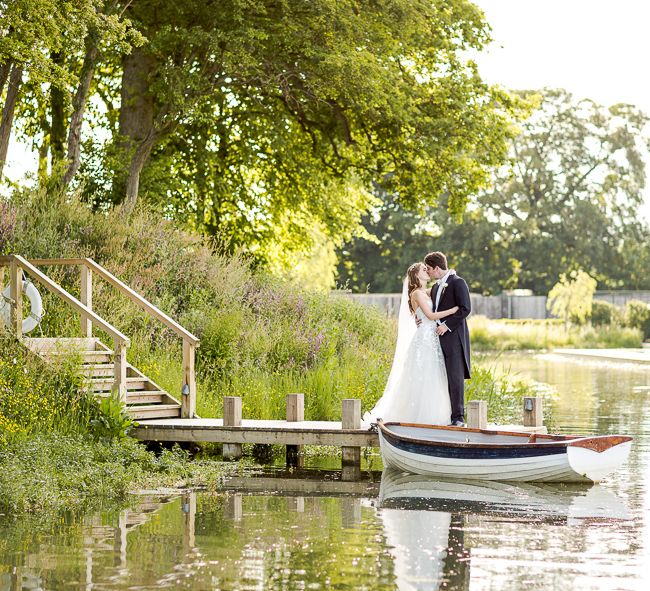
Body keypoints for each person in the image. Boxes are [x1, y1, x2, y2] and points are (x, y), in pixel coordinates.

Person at [364, 262, 457, 425]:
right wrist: (454, 310)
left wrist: (450, 274)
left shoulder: (425, 292)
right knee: (423, 376)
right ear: (416, 275)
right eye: (423, 269)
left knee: (434, 377)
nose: (427, 271)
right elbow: (430, 315)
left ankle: (437, 417)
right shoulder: (417, 294)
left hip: (432, 338)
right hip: (424, 340)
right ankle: (419, 418)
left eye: (427, 269)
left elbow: (440, 290)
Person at [423, 251, 471, 427]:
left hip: (454, 338)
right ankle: (443, 415)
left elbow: (465, 309)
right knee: (440, 377)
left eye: (428, 268)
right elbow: (423, 302)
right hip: (436, 339)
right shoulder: (435, 287)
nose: (427, 272)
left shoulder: (458, 283)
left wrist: (447, 325)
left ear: (437, 268)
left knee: (455, 376)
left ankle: (458, 418)